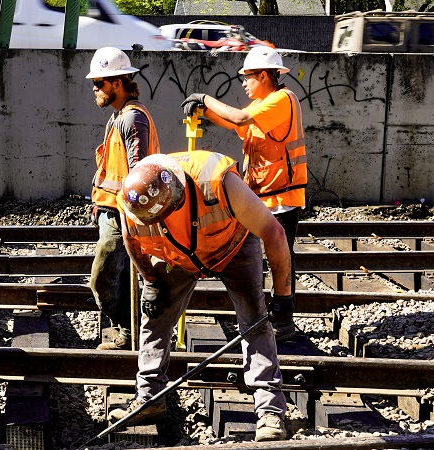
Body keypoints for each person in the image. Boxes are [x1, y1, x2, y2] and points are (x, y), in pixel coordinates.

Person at [107, 152, 292, 442]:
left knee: (254, 320)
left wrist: (284, 296)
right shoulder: (132, 201)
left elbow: (274, 233)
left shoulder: (217, 180)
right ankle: (149, 398)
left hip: (232, 246)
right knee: (155, 317)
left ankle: (270, 412)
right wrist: (151, 280)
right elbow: (132, 241)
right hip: (180, 255)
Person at [180, 46, 306, 341]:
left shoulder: (281, 100)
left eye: (246, 77)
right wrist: (204, 111)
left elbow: (236, 119)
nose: (243, 83)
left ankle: (284, 317)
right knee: (258, 255)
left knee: (280, 256)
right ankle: (264, 314)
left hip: (282, 196)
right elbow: (235, 122)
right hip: (263, 194)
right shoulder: (262, 106)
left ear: (263, 75)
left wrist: (204, 98)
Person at [85, 46, 160, 350]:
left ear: (117, 82)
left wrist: (127, 217)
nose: (95, 89)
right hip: (110, 209)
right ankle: (129, 333)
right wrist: (98, 204)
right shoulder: (119, 117)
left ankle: (128, 329)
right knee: (123, 277)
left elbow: (138, 173)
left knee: (101, 278)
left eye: (99, 83)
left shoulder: (132, 119)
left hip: (122, 214)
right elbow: (110, 168)